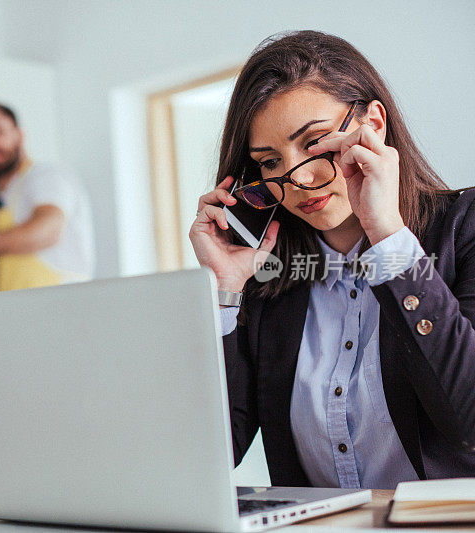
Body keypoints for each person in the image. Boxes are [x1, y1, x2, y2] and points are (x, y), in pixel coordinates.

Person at [190, 30, 475, 490]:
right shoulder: (269, 276)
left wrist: (387, 235)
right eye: (268, 162)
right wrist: (224, 293)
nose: (298, 180)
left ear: (374, 125)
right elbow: (212, 450)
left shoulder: (466, 228)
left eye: (315, 143)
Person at [0, 102, 95, 291]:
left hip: (59, 304)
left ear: (19, 134)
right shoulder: (11, 192)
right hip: (24, 307)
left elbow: (49, 230)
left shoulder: (45, 175)